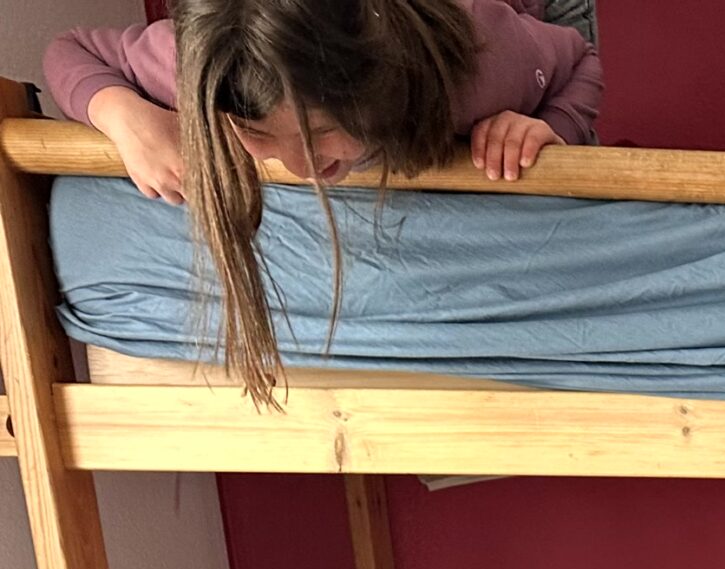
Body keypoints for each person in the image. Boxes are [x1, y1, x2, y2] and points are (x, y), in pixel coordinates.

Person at [44, 0, 603, 404]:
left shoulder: (483, 64)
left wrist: (550, 124)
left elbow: (580, 60)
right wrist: (124, 115)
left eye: (324, 131)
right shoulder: (201, 59)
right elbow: (69, 51)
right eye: (257, 131)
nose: (301, 166)